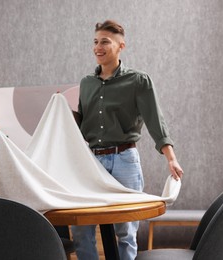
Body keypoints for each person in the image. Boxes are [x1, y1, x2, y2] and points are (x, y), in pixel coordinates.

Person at [71, 20, 184, 260]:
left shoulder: (138, 81)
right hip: (91, 163)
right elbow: (83, 126)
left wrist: (171, 159)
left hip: (125, 160)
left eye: (105, 42)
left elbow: (156, 121)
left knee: (126, 232)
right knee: (82, 230)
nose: (98, 47)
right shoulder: (86, 83)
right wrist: (61, 111)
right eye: (95, 42)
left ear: (121, 45)